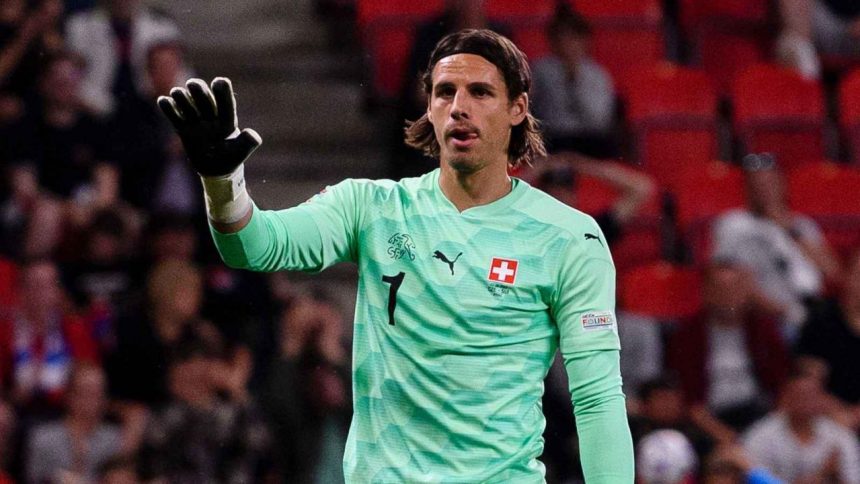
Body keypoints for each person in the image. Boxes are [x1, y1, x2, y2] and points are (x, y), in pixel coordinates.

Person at [158, 29, 634, 482]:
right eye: (445, 92)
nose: (459, 107)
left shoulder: (570, 238)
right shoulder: (370, 207)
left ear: (517, 108)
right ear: (429, 107)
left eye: (480, 92)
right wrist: (223, 184)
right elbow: (256, 246)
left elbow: (597, 399)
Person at [711, 153, 842, 340]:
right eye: (758, 184)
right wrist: (784, 311)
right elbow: (728, 281)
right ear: (747, 188)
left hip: (816, 309)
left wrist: (790, 230)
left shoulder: (802, 225)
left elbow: (832, 270)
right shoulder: (734, 224)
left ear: (783, 185)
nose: (765, 190)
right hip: (768, 315)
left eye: (770, 183)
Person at [667, 261, 789, 440]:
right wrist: (725, 436)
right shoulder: (688, 334)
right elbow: (687, 397)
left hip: (759, 414)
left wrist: (761, 434)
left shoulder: (763, 329)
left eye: (734, 289)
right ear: (706, 292)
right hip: (708, 418)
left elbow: (782, 385)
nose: (728, 296)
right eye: (720, 289)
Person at [743, 372, 860, 483]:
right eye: (800, 396)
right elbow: (755, 479)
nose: (807, 402)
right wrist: (822, 474)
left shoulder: (840, 436)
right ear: (784, 399)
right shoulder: (759, 437)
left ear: (823, 399)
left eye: (812, 396)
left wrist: (836, 476)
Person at [531, 8, 617, 158]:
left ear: (585, 41)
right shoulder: (540, 70)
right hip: (554, 138)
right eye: (562, 38)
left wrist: (574, 81)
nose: (567, 44)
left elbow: (600, 119)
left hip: (589, 138)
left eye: (573, 38)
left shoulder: (598, 75)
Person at [25, 363, 123, 483]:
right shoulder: (43, 438)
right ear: (69, 395)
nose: (92, 400)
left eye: (98, 392)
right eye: (86, 391)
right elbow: (33, 479)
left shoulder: (115, 439)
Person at [795, 250, 860, 429]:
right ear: (847, 277)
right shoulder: (821, 320)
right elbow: (809, 381)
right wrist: (840, 413)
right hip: (828, 413)